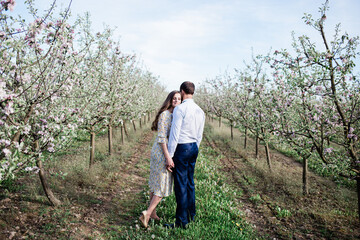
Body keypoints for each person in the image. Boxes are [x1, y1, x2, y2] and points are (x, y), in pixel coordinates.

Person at [164, 81, 205, 229]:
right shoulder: (200, 111)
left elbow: (175, 135)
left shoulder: (180, 109)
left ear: (182, 91)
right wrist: (195, 148)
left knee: (181, 185)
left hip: (182, 147)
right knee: (190, 183)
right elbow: (199, 135)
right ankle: (191, 215)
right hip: (194, 146)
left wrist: (170, 156)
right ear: (192, 92)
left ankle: (182, 221)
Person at [139, 90, 181, 228]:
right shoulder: (165, 115)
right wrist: (168, 157)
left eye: (179, 99)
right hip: (161, 152)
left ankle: (153, 213)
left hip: (163, 152)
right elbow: (162, 139)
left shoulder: (174, 115)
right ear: (170, 100)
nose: (176, 101)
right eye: (174, 98)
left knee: (156, 182)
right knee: (162, 184)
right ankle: (147, 213)